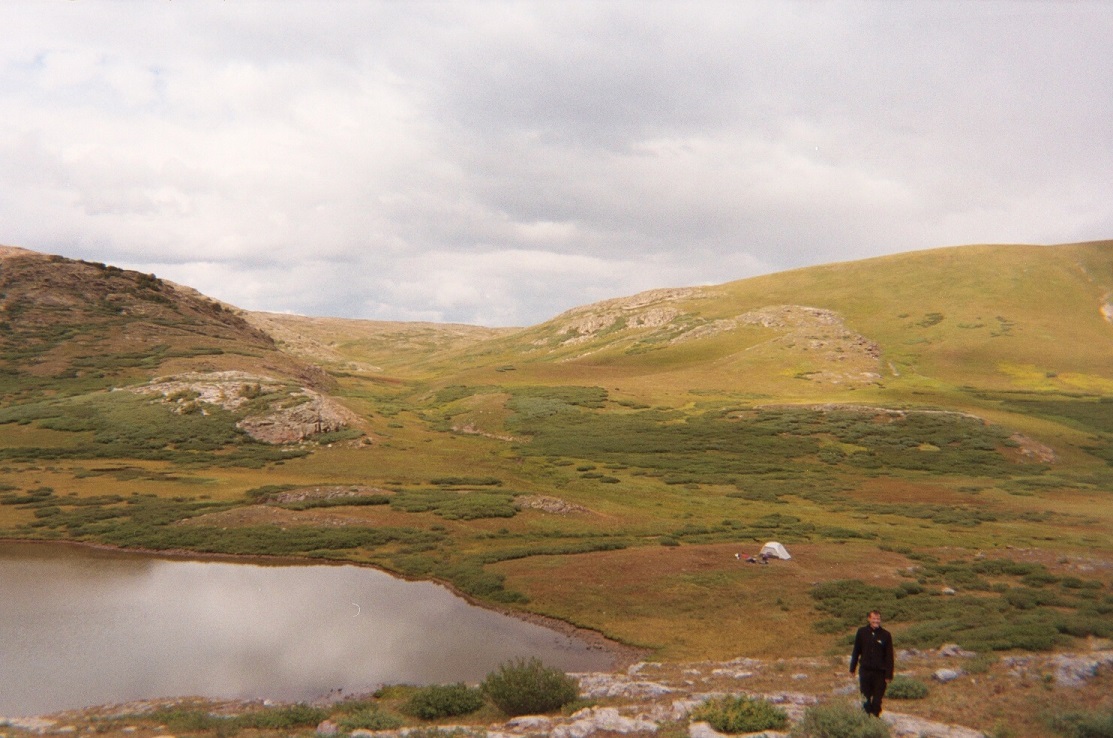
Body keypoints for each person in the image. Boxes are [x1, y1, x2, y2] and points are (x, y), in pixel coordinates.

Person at [849, 609, 894, 717]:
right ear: (869, 619)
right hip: (865, 671)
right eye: (874, 619)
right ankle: (867, 720)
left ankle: (875, 718)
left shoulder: (886, 635)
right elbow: (856, 651)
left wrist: (889, 675)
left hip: (880, 673)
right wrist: (852, 669)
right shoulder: (861, 632)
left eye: (878, 619)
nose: (876, 621)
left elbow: (889, 656)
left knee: (877, 700)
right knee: (866, 698)